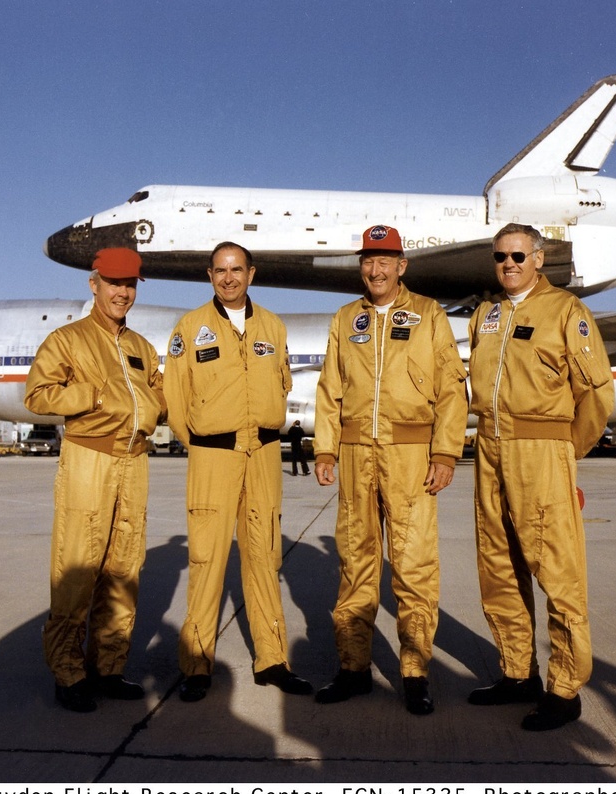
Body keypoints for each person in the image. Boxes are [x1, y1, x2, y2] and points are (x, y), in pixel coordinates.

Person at [313, 224, 468, 716]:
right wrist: (324, 450)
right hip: (358, 455)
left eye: (385, 260)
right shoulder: (346, 319)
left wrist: (445, 454)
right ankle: (353, 667)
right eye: (367, 260)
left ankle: (415, 670)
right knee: (355, 562)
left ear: (402, 266)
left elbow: (450, 389)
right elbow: (329, 388)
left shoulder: (427, 315)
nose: (375, 269)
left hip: (410, 457)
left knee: (413, 564)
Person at [467, 223, 614, 731]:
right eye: (500, 257)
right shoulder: (485, 316)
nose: (508, 264)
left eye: (517, 256)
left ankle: (565, 687)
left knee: (557, 571)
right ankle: (516, 673)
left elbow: (597, 393)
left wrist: (565, 452)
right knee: (498, 566)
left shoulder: (566, 312)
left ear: (539, 258)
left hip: (542, 450)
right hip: (489, 448)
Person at [163, 241, 312, 703]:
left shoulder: (272, 325)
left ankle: (272, 660)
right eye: (220, 271)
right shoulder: (190, 329)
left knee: (264, 557)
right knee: (207, 560)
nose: (229, 278)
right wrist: (208, 444)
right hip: (214, 457)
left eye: (237, 270)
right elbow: (175, 401)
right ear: (209, 275)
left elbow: (281, 383)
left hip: (264, 454)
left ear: (252, 273)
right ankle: (196, 664)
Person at [24, 247, 166, 713]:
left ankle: (108, 668)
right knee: (78, 566)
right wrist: (96, 396)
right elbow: (38, 395)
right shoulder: (66, 340)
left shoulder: (141, 347)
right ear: (94, 284)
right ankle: (68, 672)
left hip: (135, 461)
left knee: (125, 568)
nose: (122, 292)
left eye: (129, 285)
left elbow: (159, 394)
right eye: (113, 283)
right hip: (89, 459)